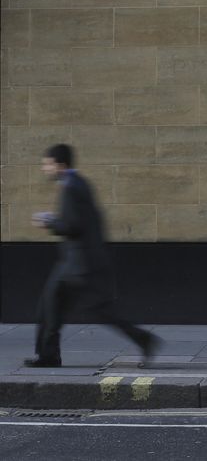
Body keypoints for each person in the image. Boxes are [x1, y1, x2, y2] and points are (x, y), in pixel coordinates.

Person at [25, 144, 158, 367]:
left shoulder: (72, 187)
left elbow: (74, 226)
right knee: (51, 304)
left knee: (97, 311)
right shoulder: (77, 183)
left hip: (80, 265)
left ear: (60, 165)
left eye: (47, 164)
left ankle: (145, 340)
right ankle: (48, 355)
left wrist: (49, 222)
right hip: (75, 262)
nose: (44, 169)